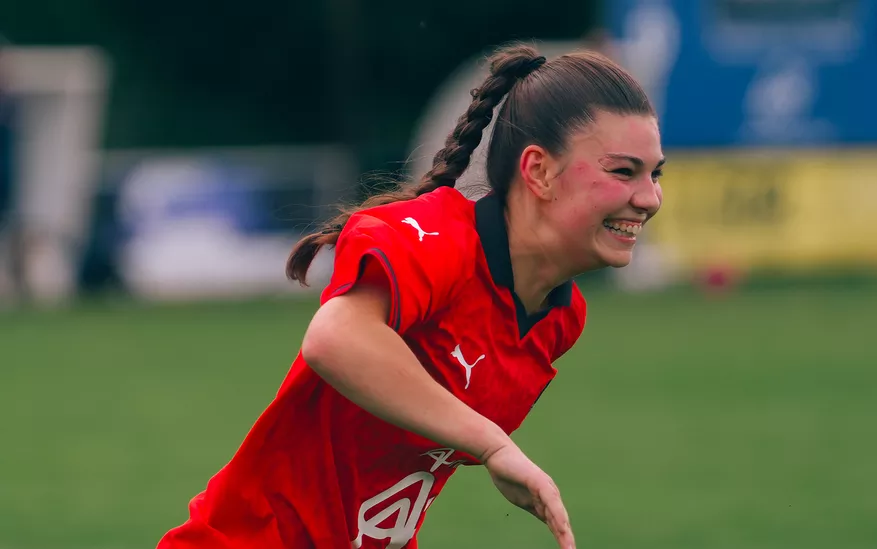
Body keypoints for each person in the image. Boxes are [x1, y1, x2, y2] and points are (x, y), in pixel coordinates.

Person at [158, 42, 664, 549]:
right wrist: (493, 445)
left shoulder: (560, 319)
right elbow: (334, 337)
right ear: (538, 171)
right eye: (623, 171)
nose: (649, 198)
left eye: (654, 173)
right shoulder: (440, 236)